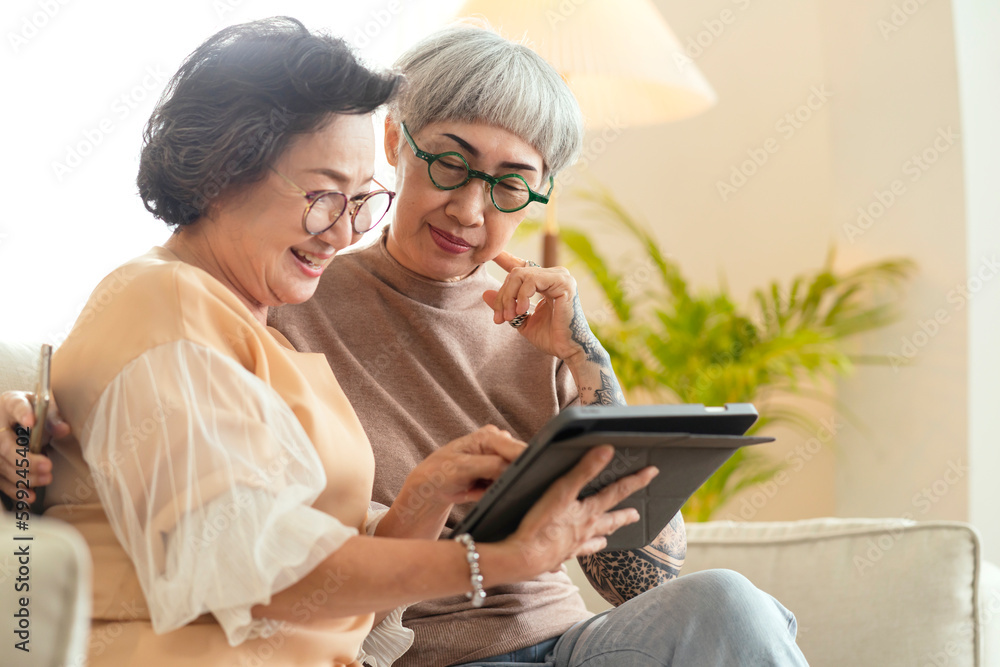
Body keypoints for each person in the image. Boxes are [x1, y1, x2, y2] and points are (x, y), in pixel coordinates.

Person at [2, 20, 809, 667]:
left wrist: (584, 364)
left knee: (730, 605)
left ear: (539, 193)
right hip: (424, 653)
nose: (469, 208)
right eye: (450, 164)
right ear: (397, 143)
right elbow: (139, 400)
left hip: (571, 646)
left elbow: (638, 582)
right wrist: (23, 426)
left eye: (509, 183)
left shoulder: (542, 334)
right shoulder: (286, 287)